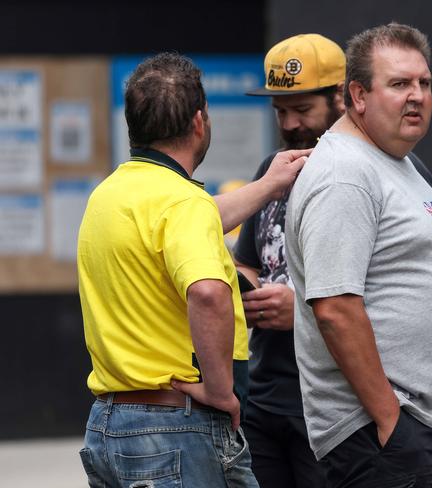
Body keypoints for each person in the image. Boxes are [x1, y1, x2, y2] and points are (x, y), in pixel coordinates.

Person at [285, 23, 432, 487]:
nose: (418, 96)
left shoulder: (392, 161)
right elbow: (335, 309)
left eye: (424, 83)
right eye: (400, 83)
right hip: (386, 432)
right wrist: (389, 420)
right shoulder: (344, 173)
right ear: (358, 96)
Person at [77, 52, 309, 488]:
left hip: (109, 426)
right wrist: (221, 392)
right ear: (200, 121)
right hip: (174, 430)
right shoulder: (182, 203)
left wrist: (266, 186)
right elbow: (207, 292)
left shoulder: (109, 195)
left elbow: (189, 223)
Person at [235, 33, 432, 488]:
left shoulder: (384, 169)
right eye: (280, 112)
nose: (289, 124)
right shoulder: (275, 168)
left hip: (336, 407)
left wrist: (302, 310)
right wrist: (246, 291)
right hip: (267, 399)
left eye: (302, 110)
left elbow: (407, 291)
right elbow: (251, 260)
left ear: (344, 98)